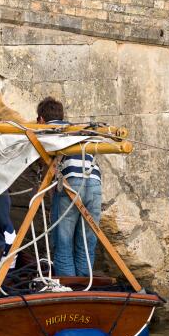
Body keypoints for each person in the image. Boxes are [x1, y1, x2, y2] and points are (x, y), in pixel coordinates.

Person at [37, 96, 102, 277]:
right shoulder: (77, 130)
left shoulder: (46, 130)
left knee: (63, 243)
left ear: (41, 119)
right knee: (86, 244)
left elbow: (45, 163)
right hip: (95, 183)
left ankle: (68, 291)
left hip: (70, 183)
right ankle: (84, 290)